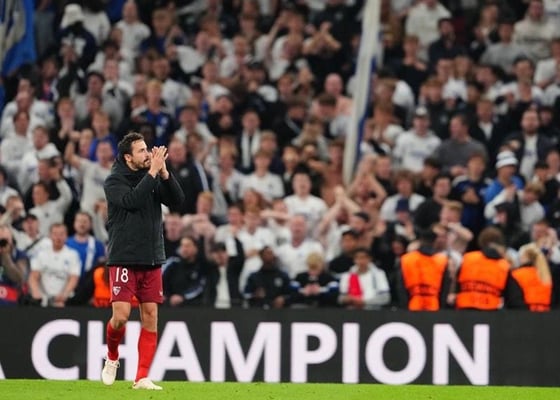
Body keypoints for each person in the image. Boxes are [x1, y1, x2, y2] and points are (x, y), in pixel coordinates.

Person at [101, 132, 185, 390]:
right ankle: (112, 355)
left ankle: (141, 377)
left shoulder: (153, 174)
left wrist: (165, 174)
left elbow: (177, 201)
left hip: (151, 257)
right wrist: (153, 173)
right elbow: (132, 202)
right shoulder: (114, 181)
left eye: (147, 149)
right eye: (141, 151)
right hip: (124, 257)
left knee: (150, 316)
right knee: (121, 317)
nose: (148, 154)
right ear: (128, 158)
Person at [454, 227, 525, 311]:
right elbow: (515, 300)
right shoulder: (503, 266)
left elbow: (454, 286)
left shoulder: (467, 258)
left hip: (462, 312)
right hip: (490, 314)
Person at [27, 223, 81, 307]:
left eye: (61, 234)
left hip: (65, 300)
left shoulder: (73, 255)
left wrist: (64, 294)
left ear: (66, 236)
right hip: (43, 299)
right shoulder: (41, 254)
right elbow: (34, 276)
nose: (58, 237)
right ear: (50, 236)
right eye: (55, 234)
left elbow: (74, 278)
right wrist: (36, 292)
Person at [397, 229, 452, 311]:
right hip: (434, 305)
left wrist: (405, 308)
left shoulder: (407, 259)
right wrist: (441, 308)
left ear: (420, 241)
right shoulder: (442, 260)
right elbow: (445, 288)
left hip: (413, 304)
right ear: (435, 241)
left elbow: (401, 287)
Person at [511, 243, 553, 311]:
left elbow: (514, 297)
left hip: (527, 312)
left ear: (523, 257)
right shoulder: (546, 274)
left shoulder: (516, 274)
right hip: (547, 312)